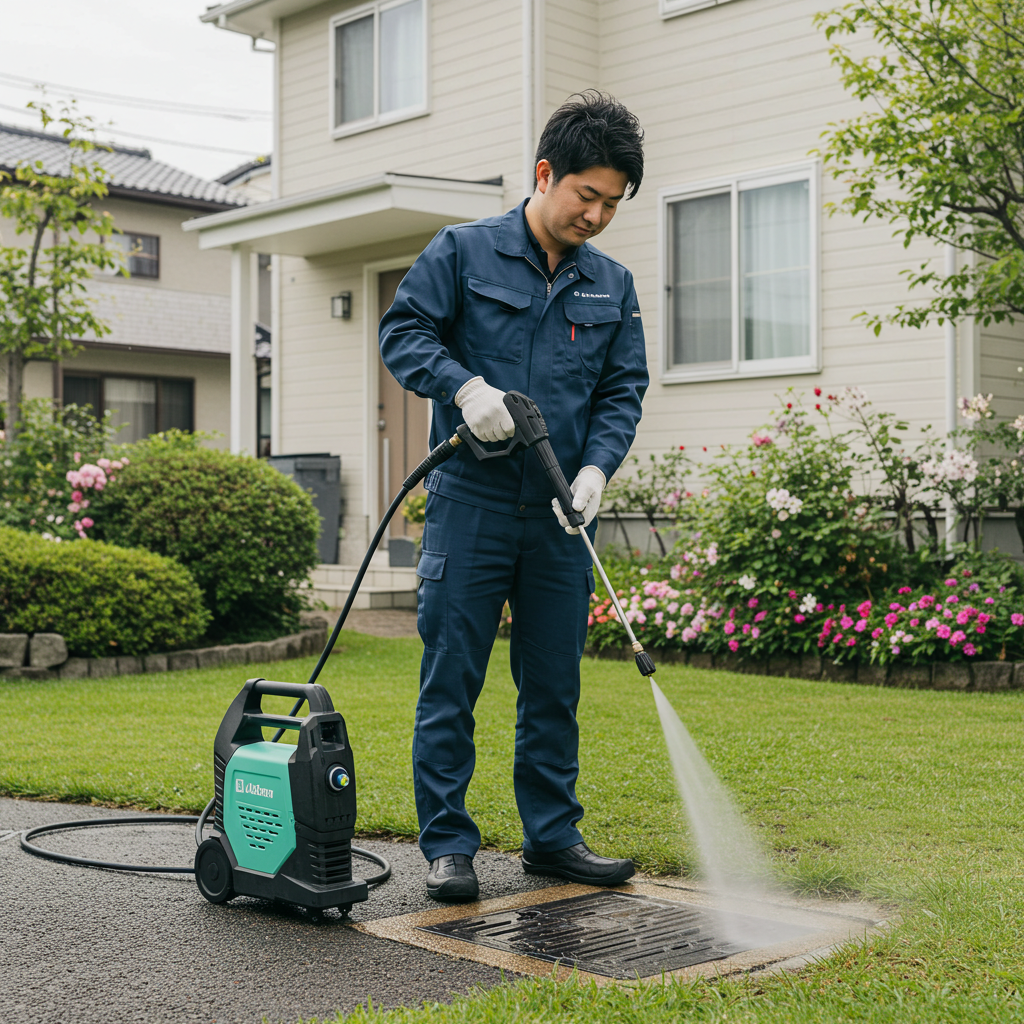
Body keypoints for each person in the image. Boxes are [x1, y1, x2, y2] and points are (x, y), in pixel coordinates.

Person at [379, 91, 648, 902]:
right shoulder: (463, 251)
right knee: (451, 678)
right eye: (586, 195)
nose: (596, 215)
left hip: (562, 516)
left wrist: (597, 470)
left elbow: (622, 390)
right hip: (472, 503)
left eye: (612, 203)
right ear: (544, 174)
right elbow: (403, 333)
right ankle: (448, 847)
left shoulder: (613, 284)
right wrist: (463, 388)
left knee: (554, 686)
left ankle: (553, 838)